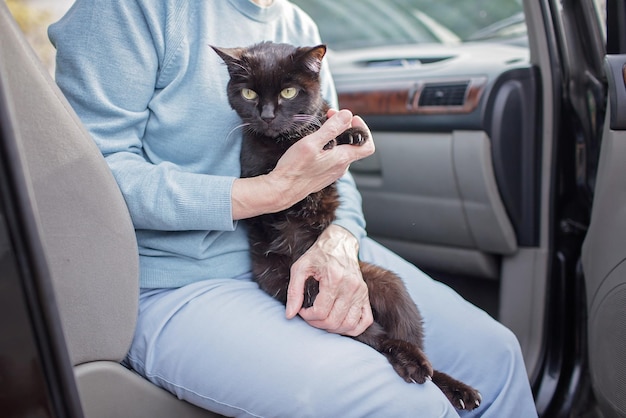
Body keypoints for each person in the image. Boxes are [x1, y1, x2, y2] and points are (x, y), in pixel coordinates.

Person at [49, 0, 538, 416]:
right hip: (179, 280)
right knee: (408, 406)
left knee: (497, 356)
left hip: (307, 243)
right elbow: (89, 179)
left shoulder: (295, 24)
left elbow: (334, 161)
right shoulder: (128, 10)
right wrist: (270, 192)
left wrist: (341, 240)